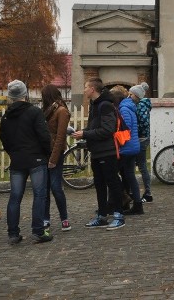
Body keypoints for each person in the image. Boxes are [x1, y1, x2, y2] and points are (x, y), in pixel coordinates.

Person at [0, 80, 53, 244]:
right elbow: (44, 136)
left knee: (15, 197)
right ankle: (38, 231)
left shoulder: (6, 116)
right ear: (25, 94)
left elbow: (4, 139)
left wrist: (13, 153)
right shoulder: (34, 112)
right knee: (39, 195)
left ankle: (13, 233)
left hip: (17, 159)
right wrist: (47, 153)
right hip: (36, 158)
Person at [73, 78, 126, 230]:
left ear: (93, 89)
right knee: (100, 184)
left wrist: (85, 134)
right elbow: (95, 127)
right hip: (97, 151)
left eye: (85, 87)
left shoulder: (105, 105)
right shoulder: (95, 105)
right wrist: (83, 133)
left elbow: (108, 130)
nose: (84, 90)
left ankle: (118, 215)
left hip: (107, 151)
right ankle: (102, 216)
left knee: (112, 183)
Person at [42, 85, 72, 232]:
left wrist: (53, 159)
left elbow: (60, 137)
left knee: (55, 187)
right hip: (44, 152)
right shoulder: (48, 111)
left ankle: (64, 218)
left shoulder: (61, 111)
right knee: (45, 187)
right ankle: (45, 218)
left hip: (55, 153)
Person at [116, 88, 143, 215]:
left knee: (115, 175)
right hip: (132, 146)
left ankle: (134, 202)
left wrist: (117, 139)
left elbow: (125, 130)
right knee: (129, 176)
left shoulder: (124, 109)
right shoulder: (130, 107)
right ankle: (134, 203)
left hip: (127, 147)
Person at [129, 84, 153, 203]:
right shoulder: (139, 104)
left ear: (137, 95)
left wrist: (135, 129)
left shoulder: (141, 105)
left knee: (142, 166)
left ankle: (147, 193)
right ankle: (136, 192)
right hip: (139, 138)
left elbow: (143, 122)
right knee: (136, 166)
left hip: (141, 138)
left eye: (131, 94)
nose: (129, 96)